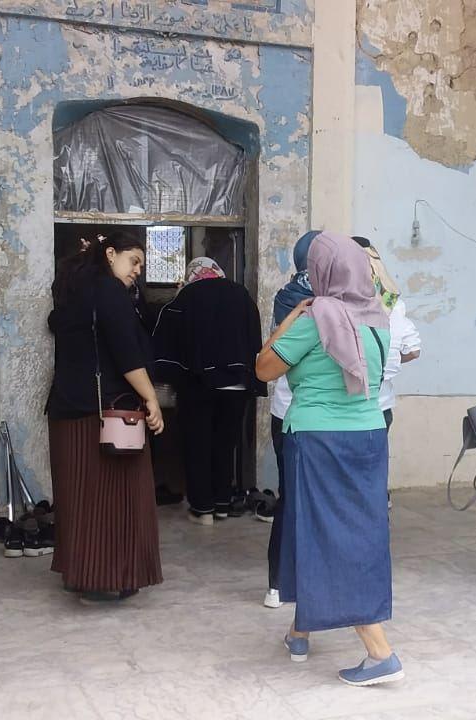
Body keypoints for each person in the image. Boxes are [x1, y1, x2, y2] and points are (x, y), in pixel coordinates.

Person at [255, 231, 403, 687]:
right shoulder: (378, 317)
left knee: (332, 536)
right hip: (369, 436)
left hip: (319, 440)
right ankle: (301, 630)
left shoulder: (315, 317)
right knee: (339, 530)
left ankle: (380, 652)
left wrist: (288, 320)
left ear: (318, 271)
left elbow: (263, 368)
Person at [46, 231, 164, 603]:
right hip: (107, 415)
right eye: (134, 260)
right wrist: (152, 400)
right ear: (110, 254)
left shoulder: (71, 289)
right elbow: (127, 355)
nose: (138, 271)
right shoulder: (108, 291)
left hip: (68, 410)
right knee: (120, 498)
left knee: (79, 499)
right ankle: (111, 577)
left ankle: (82, 574)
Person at [153, 257, 265, 525]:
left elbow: (166, 337)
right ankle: (223, 503)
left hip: (199, 384)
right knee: (226, 444)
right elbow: (254, 338)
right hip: (237, 384)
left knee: (198, 443)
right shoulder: (241, 295)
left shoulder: (187, 296)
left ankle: (202, 509)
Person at [263, 230, 318, 609]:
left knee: (290, 498)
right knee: (308, 500)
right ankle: (293, 581)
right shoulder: (333, 301)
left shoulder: (286, 296)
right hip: (305, 414)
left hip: (288, 411)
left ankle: (279, 583)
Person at [351, 237, 421, 508]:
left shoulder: (342, 298)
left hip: (353, 404)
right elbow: (414, 350)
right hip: (381, 403)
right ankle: (377, 506)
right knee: (374, 465)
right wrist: (385, 364)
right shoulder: (392, 300)